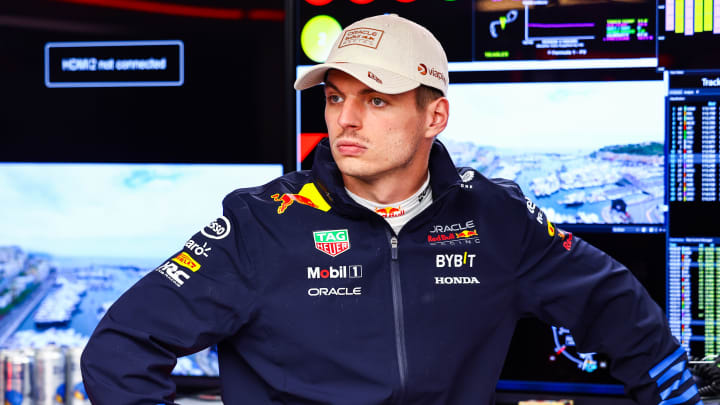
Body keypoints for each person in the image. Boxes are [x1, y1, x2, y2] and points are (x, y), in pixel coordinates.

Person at [81, 14, 701, 405]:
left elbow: (616, 308)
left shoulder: (498, 219)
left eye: (376, 100)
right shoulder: (258, 223)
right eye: (334, 97)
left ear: (434, 115)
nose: (345, 120)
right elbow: (120, 350)